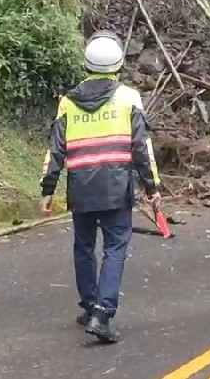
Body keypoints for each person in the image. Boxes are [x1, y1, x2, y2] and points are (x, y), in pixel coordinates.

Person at [39, 30, 161, 344]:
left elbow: (55, 149)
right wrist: (153, 187)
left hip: (81, 188)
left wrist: (48, 189)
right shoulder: (129, 98)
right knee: (115, 248)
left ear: (87, 64)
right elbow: (141, 147)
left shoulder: (67, 103)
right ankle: (103, 313)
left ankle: (90, 304)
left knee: (83, 247)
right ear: (118, 64)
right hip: (116, 187)